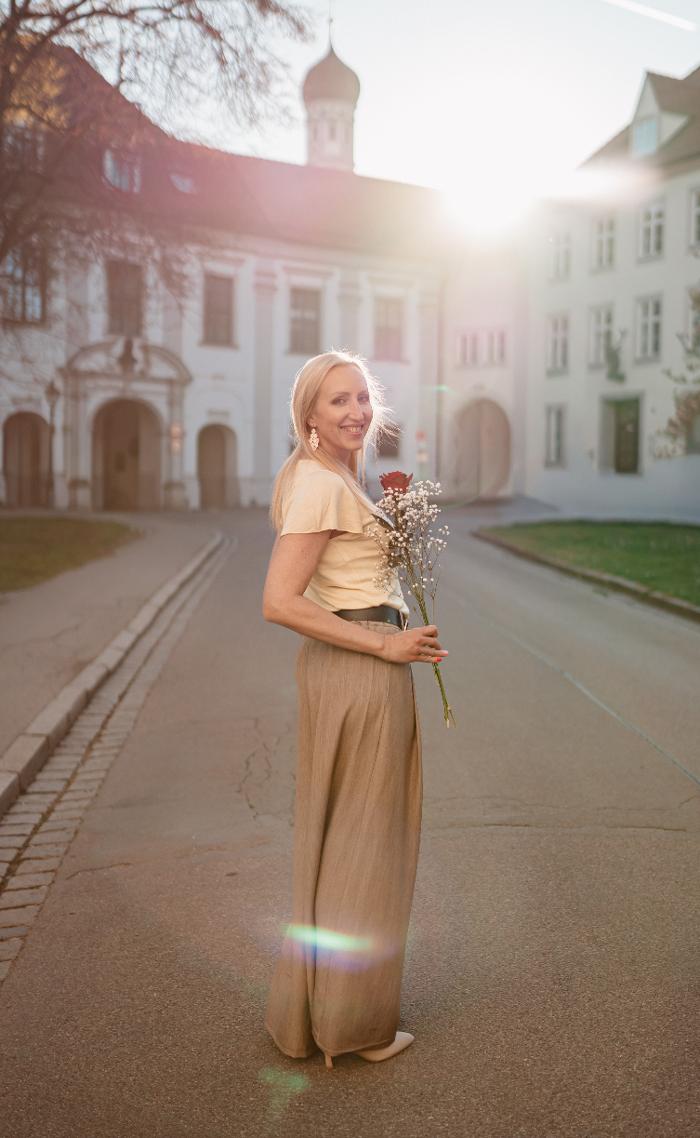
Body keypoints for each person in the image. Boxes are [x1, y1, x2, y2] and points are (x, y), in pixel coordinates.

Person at [262, 349, 448, 1069]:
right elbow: (278, 602)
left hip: (355, 664)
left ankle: (322, 1017)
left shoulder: (335, 477)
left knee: (346, 837)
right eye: (338, 400)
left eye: (362, 397)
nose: (356, 411)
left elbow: (336, 584)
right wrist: (382, 648)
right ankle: (357, 1029)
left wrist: (399, 629)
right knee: (370, 841)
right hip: (361, 671)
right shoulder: (320, 483)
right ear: (310, 414)